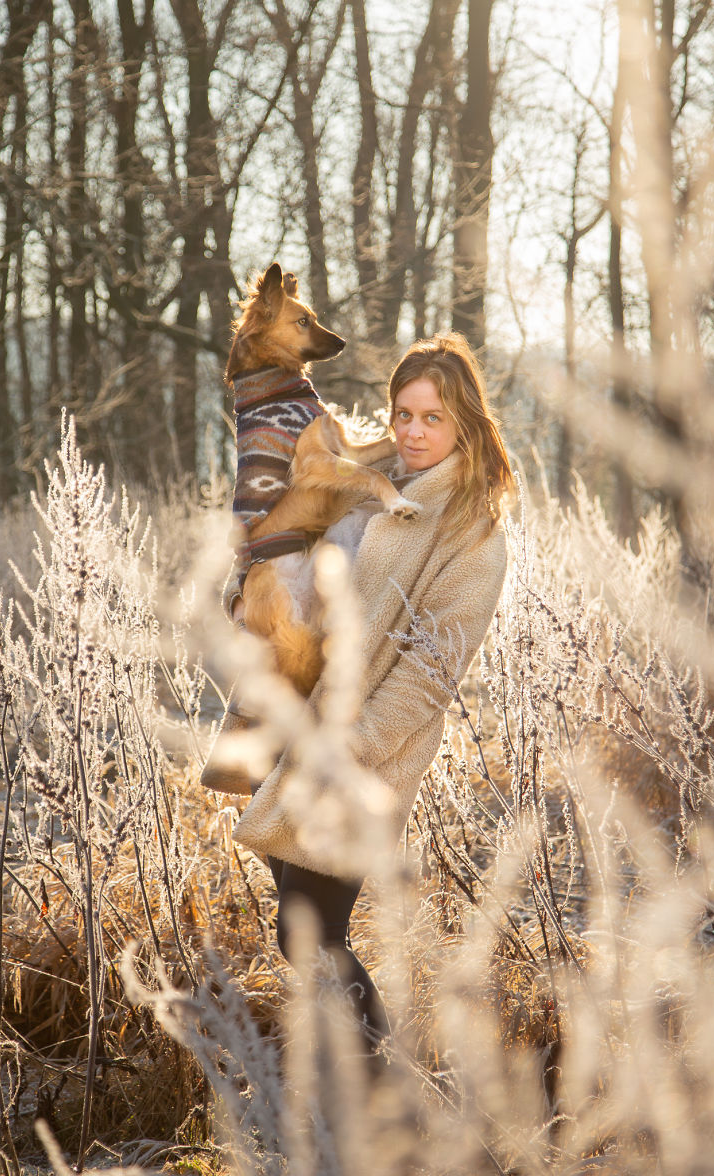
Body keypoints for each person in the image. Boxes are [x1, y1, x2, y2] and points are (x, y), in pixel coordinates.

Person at [225, 331, 514, 1051]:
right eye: (404, 414)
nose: (413, 433)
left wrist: (346, 749)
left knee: (311, 934)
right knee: (305, 929)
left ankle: (386, 1097)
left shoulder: (472, 531)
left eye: (433, 418)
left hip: (364, 755)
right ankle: (355, 1088)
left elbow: (429, 673)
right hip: (293, 721)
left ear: (465, 424)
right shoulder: (366, 478)